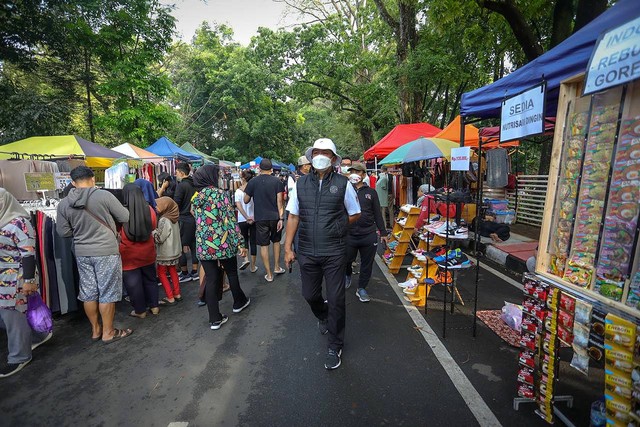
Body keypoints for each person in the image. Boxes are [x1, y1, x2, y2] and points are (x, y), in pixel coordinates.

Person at [284, 138, 361, 370]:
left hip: (335, 251)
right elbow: (293, 216)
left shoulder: (343, 184)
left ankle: (334, 345)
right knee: (310, 294)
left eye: (325, 153)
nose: (320, 155)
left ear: (334, 159)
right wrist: (288, 248)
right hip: (306, 250)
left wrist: (337, 227)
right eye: (316, 152)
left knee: (337, 299)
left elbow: (355, 213)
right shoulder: (300, 184)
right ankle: (323, 315)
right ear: (310, 156)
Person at [56, 166, 132, 343]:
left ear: (73, 183)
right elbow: (125, 216)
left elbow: (63, 232)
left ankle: (95, 330)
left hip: (82, 252)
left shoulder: (63, 203)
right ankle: (109, 332)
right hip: (106, 250)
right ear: (92, 179)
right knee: (107, 291)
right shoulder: (103, 196)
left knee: (88, 292)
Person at [0, 188, 53, 378]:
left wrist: (29, 280)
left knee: (12, 316)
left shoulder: (20, 223)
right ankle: (39, 334)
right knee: (14, 315)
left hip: (16, 278)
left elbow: (28, 253)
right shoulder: (4, 219)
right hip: (4, 278)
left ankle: (19, 356)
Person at [192, 165, 250, 330]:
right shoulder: (219, 194)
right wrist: (240, 243)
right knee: (231, 272)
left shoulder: (197, 197)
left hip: (204, 245)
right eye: (217, 175)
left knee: (211, 279)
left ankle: (214, 319)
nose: (219, 177)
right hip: (222, 242)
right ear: (211, 177)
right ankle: (239, 302)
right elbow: (230, 220)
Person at [344, 163, 388, 302]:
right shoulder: (344, 190)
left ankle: (362, 288)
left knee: (367, 263)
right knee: (346, 260)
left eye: (357, 171)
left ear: (363, 174)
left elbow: (377, 214)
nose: (354, 174)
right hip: (349, 234)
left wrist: (383, 232)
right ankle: (347, 274)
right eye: (352, 172)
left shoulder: (371, 192)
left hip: (368, 234)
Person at [120, 184, 159, 318]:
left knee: (133, 285)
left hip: (128, 255)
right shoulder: (149, 209)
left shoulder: (121, 212)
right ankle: (154, 306)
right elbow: (154, 226)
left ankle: (140, 311)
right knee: (151, 280)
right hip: (148, 251)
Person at [244, 158, 285, 282]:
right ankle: (277, 267)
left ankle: (269, 274)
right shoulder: (277, 181)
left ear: (259, 169)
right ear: (271, 169)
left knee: (264, 245)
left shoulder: (253, 182)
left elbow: (246, 200)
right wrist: (281, 218)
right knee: (276, 242)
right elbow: (280, 201)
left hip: (261, 217)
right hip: (275, 216)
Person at [154, 197, 182, 305]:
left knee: (161, 273)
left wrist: (153, 232)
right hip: (174, 251)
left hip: (166, 252)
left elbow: (160, 238)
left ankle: (170, 296)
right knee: (173, 271)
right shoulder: (174, 217)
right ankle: (177, 293)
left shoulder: (164, 220)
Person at [173, 163, 198, 282]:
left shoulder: (181, 186)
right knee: (193, 245)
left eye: (177, 172)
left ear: (182, 173)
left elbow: (176, 203)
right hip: (194, 218)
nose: (176, 174)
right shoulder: (195, 184)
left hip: (183, 219)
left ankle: (185, 272)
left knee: (181, 246)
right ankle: (194, 271)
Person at [235, 169, 257, 273]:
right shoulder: (254, 190)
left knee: (244, 240)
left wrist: (246, 216)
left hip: (242, 219)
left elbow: (238, 206)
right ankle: (253, 266)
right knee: (253, 241)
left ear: (243, 178)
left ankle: (246, 259)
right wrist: (251, 217)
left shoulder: (238, 191)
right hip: (254, 219)